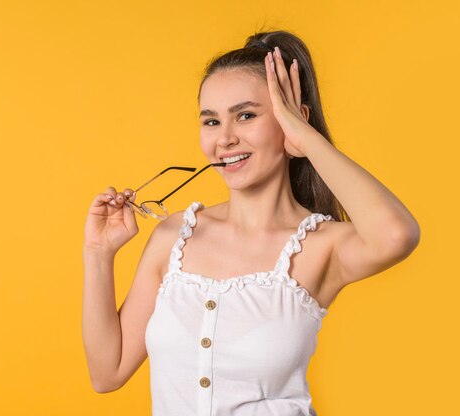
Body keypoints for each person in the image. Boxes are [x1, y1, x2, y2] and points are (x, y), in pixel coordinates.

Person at [82, 29, 420, 415]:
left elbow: (397, 234)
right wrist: (98, 254)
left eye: (246, 116)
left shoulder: (320, 246)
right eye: (211, 121)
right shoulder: (174, 237)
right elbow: (106, 374)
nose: (225, 138)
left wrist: (308, 141)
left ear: (292, 121)